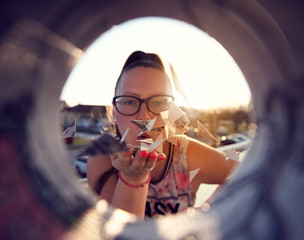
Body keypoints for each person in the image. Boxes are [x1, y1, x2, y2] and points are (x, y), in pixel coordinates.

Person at [87, 51, 237, 219]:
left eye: (158, 102)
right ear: (113, 112)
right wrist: (132, 179)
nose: (144, 117)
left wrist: (207, 215)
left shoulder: (184, 154)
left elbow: (250, 174)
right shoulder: (101, 159)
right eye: (129, 101)